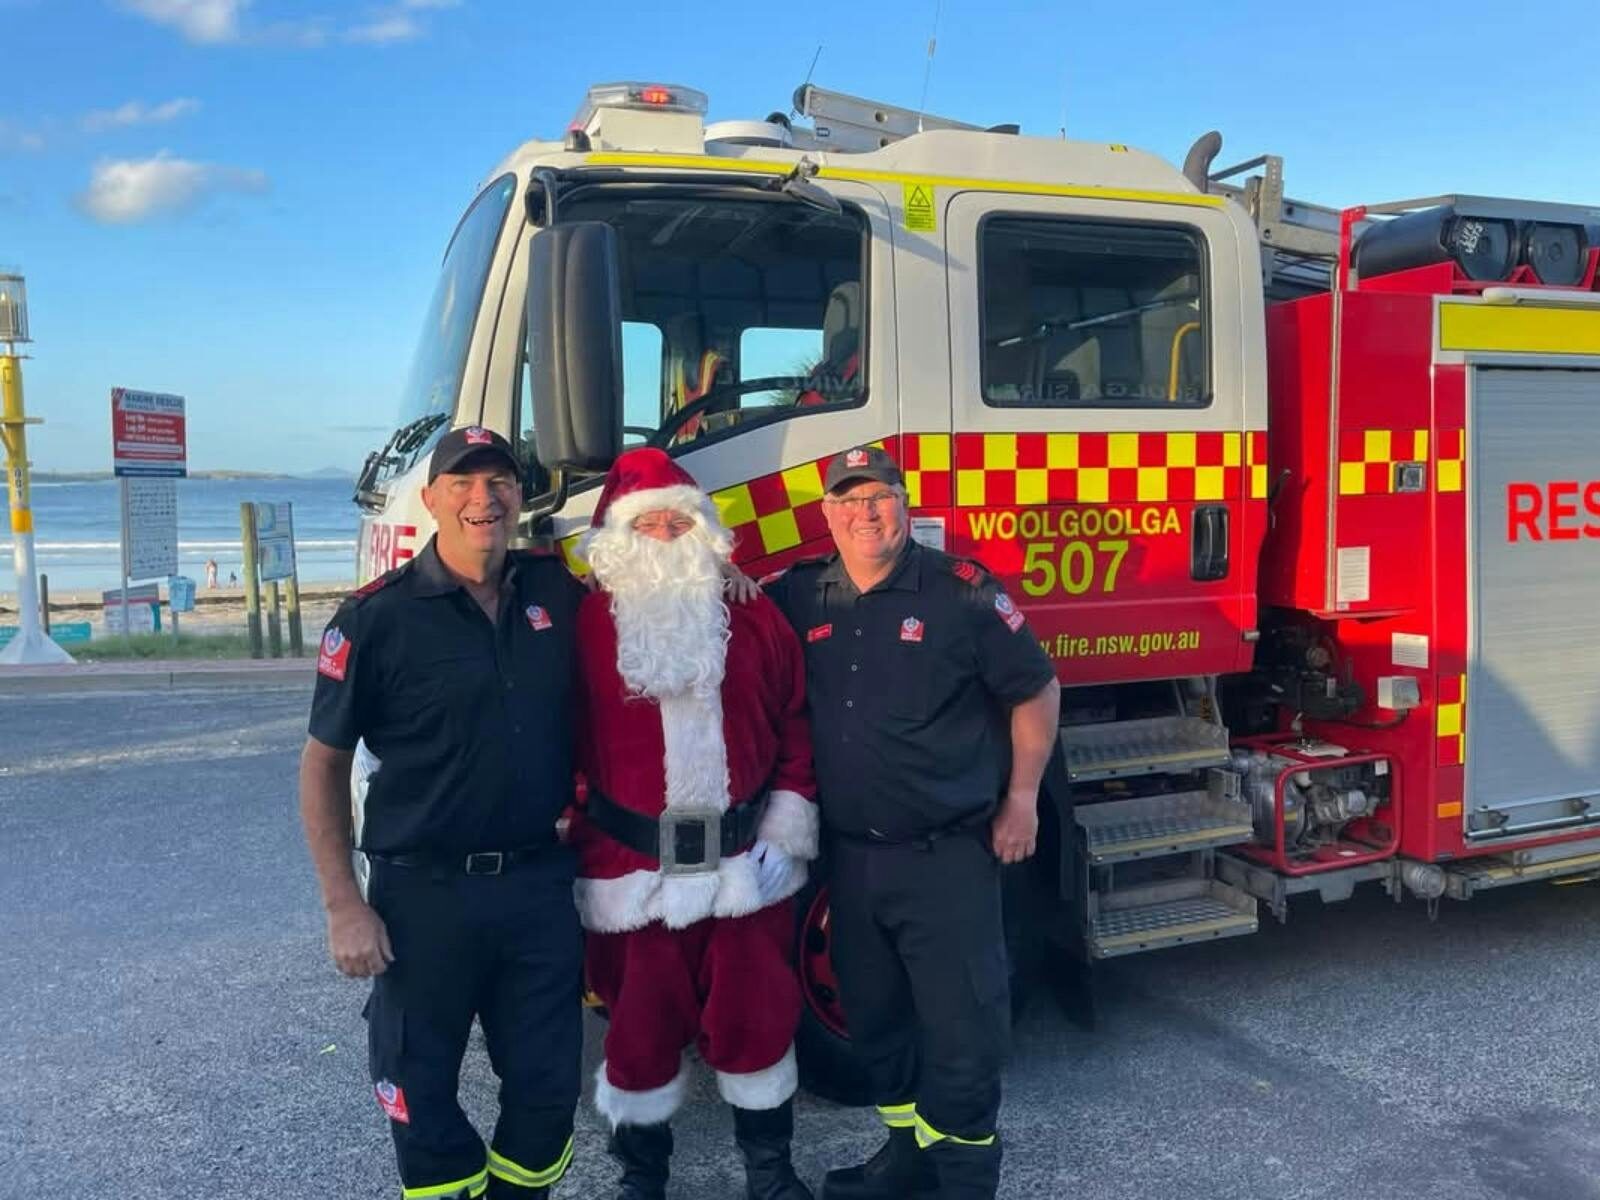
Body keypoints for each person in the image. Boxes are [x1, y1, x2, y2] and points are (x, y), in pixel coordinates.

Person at [764, 445, 1061, 1200]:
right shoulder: (802, 593)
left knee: (964, 1035)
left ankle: (963, 1182)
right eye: (848, 499)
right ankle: (908, 1161)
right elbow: (732, 613)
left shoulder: (961, 592)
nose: (865, 513)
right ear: (827, 513)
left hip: (946, 858)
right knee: (877, 1024)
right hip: (850, 861)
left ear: (905, 503)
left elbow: (1035, 689)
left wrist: (1023, 798)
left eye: (879, 496)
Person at [298, 426, 584, 1200]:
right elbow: (322, 766)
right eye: (462, 482)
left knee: (549, 1089)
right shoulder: (374, 620)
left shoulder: (558, 593)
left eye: (499, 482)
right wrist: (343, 905)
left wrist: (728, 574)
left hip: (537, 889)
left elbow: (655, 575)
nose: (482, 498)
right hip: (423, 895)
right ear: (430, 500)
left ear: (520, 497)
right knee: (416, 1089)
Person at [569, 448, 820, 1200]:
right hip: (631, 877)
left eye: (679, 522)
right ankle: (641, 1179)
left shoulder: (753, 612)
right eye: (646, 524)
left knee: (757, 1023)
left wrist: (786, 828)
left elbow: (794, 723)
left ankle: (770, 1176)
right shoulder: (585, 623)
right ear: (618, 538)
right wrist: (576, 837)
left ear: (704, 531)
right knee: (638, 1036)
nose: (664, 535)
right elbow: (558, 739)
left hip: (744, 871)